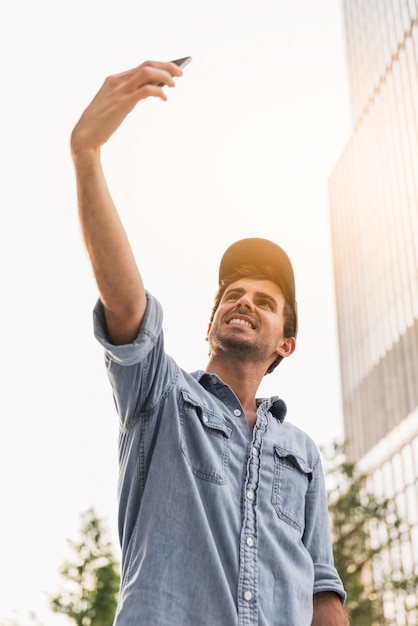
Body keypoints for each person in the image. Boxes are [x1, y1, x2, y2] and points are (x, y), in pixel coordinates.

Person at [71, 59, 349, 626]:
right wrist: (87, 155)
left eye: (264, 302)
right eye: (233, 294)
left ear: (285, 345)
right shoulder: (161, 398)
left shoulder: (302, 453)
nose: (244, 302)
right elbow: (127, 305)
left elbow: (322, 589)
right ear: (210, 322)